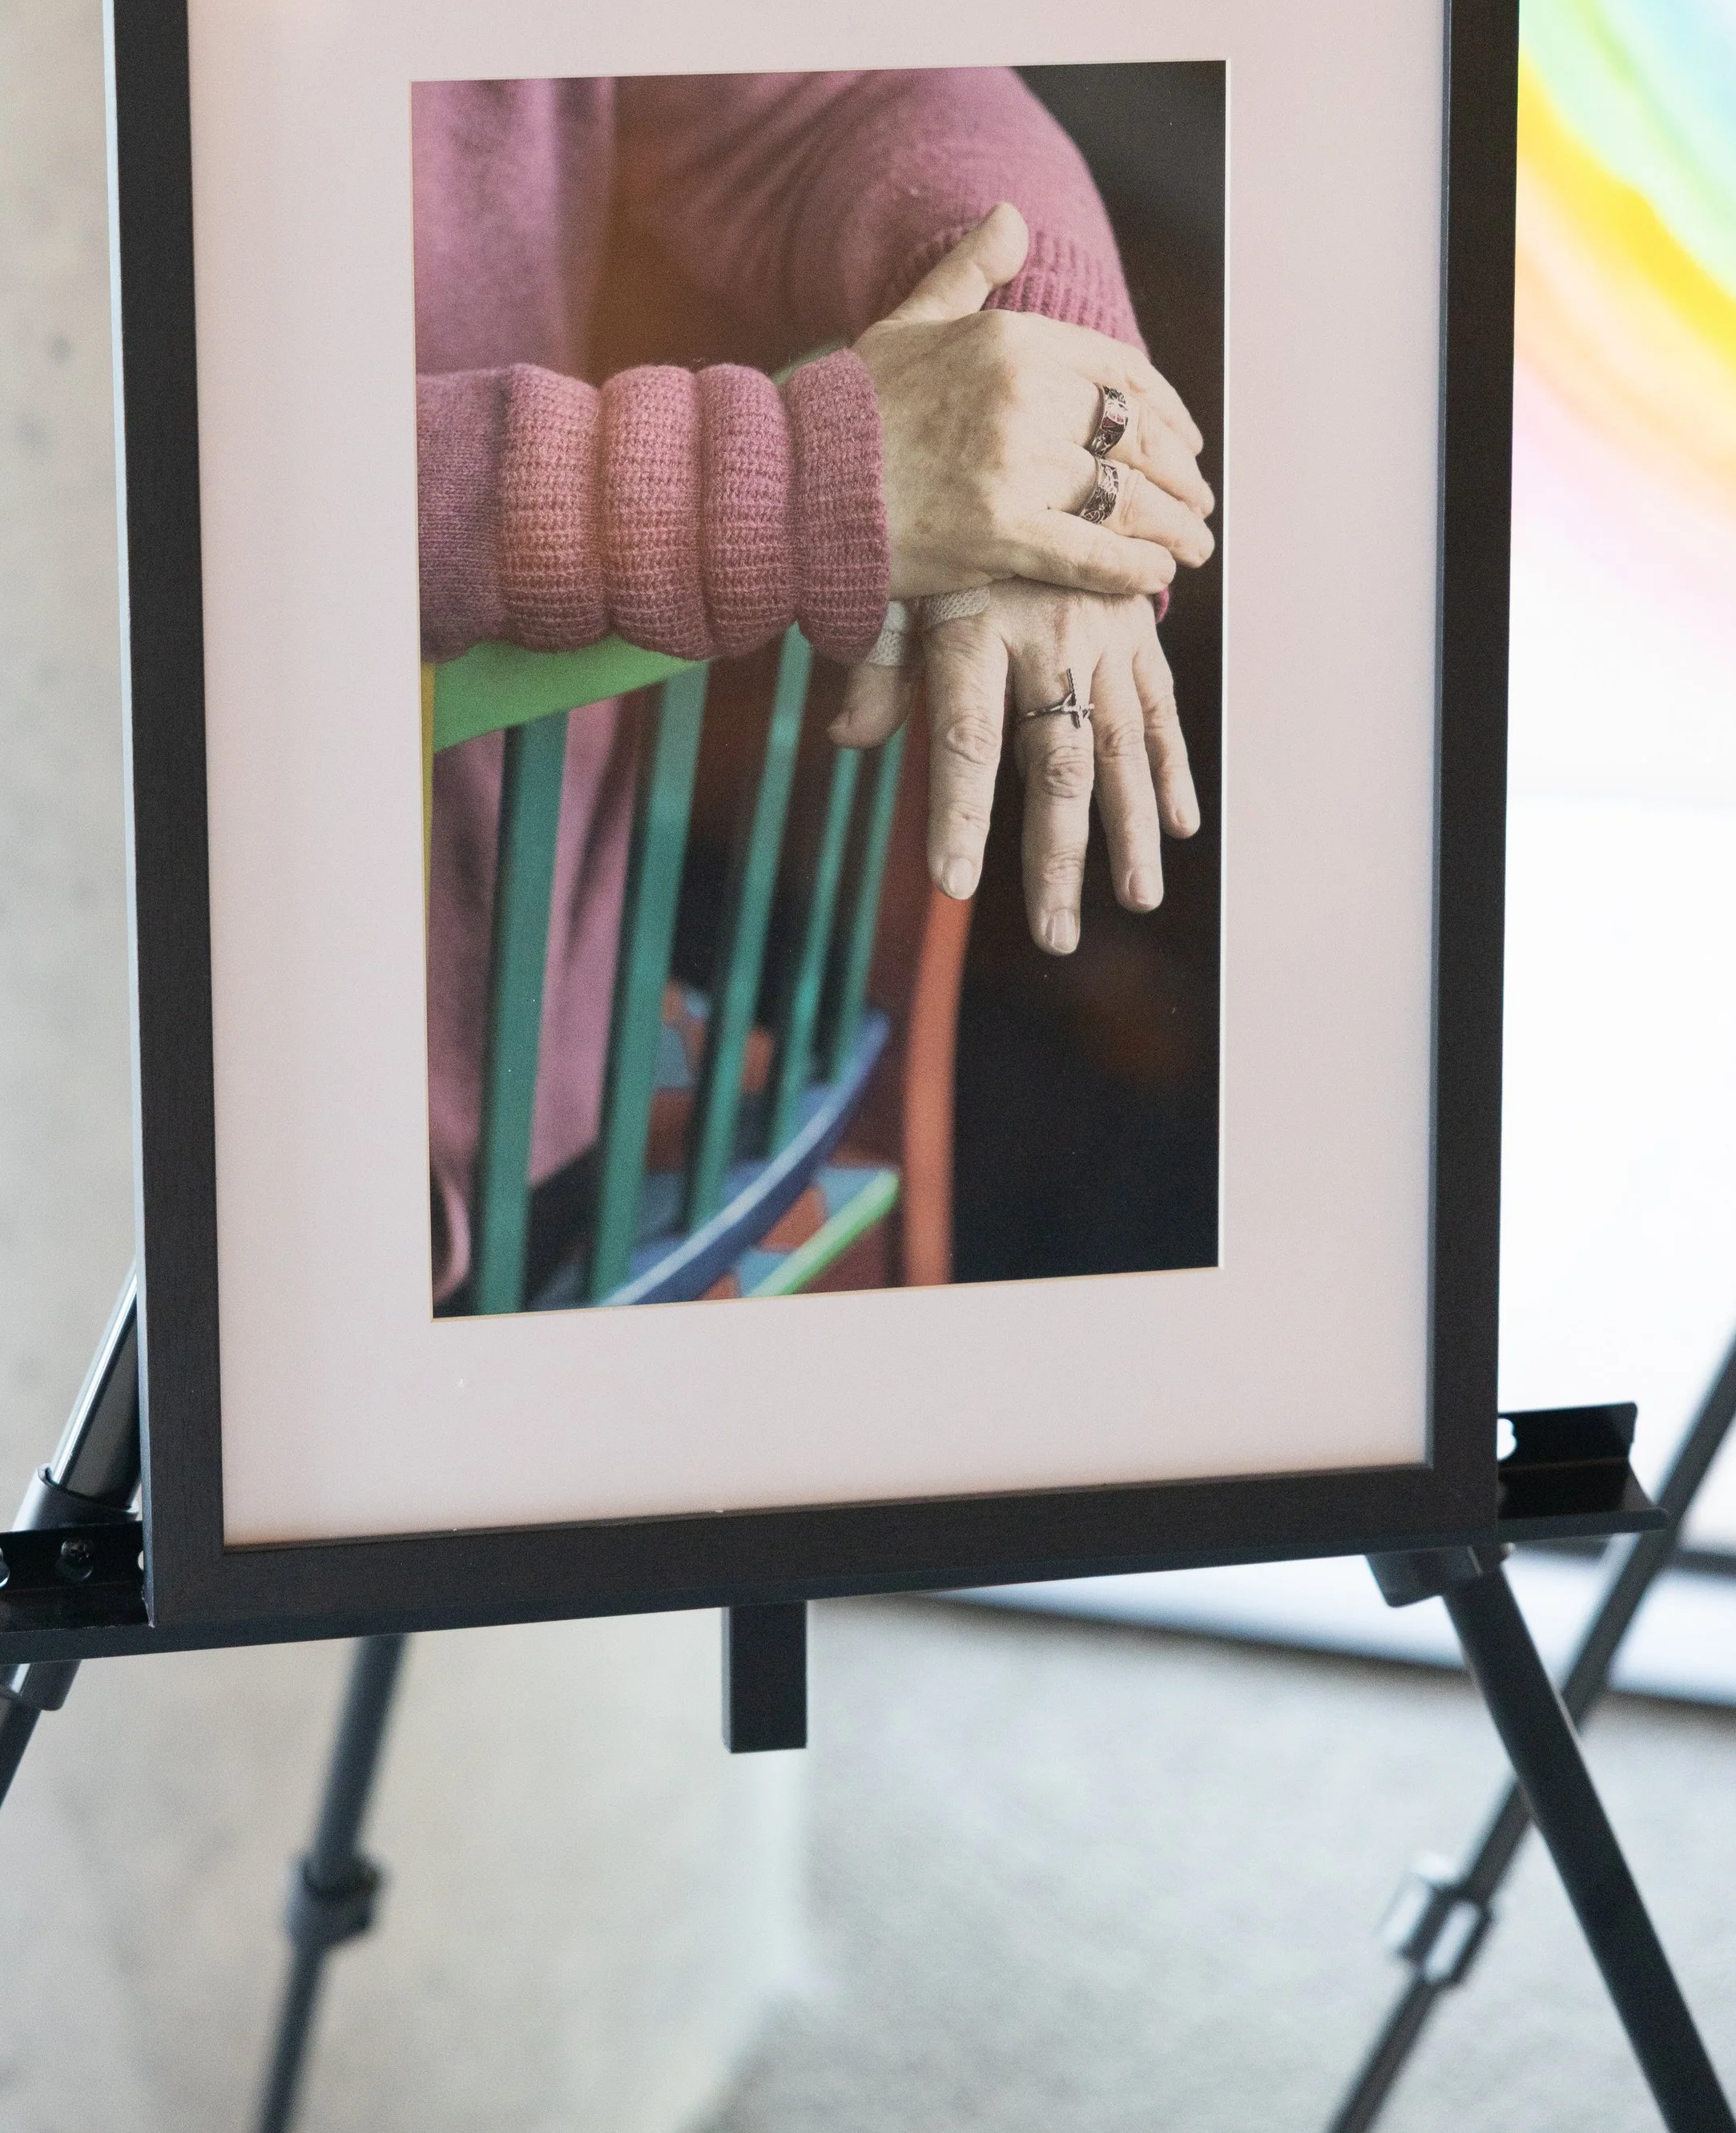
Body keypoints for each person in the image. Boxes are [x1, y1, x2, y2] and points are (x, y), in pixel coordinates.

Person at [415, 69, 1214, 1304]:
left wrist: (1046, 394)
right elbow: (187, 529)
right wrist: (799, 477)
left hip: (562, 1055)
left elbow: (862, 83)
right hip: (299, 1185)